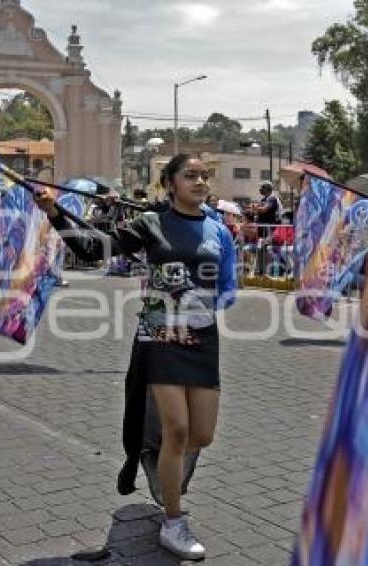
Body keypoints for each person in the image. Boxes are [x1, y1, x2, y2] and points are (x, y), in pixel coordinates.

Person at [34, 154, 238, 561]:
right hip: (158, 336)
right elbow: (95, 249)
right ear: (169, 183)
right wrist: (55, 212)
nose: (199, 181)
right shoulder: (150, 224)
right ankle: (174, 523)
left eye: (204, 175)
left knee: (202, 435)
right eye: (190, 175)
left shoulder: (220, 231)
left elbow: (229, 285)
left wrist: (201, 298)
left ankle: (158, 460)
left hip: (201, 339)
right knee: (177, 431)